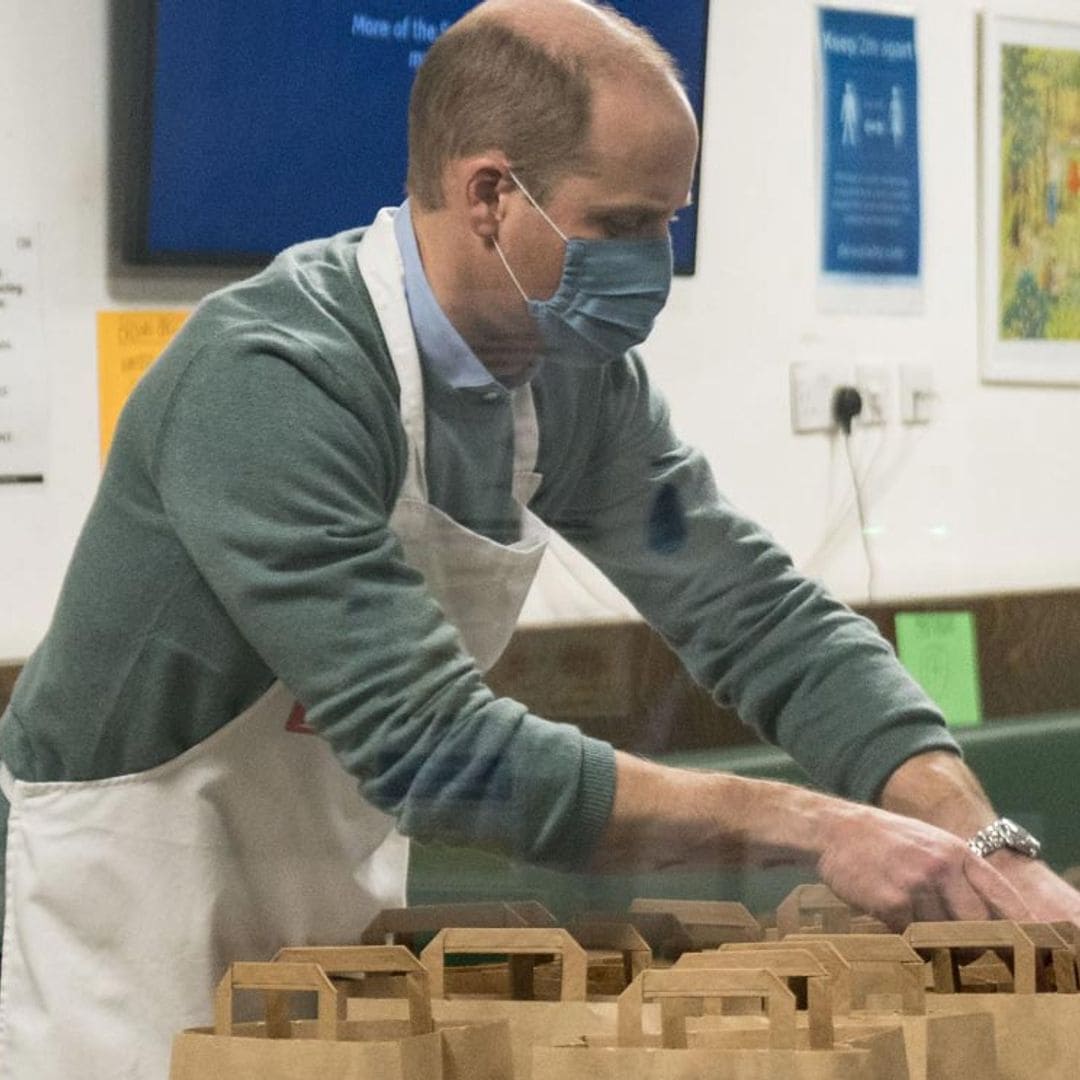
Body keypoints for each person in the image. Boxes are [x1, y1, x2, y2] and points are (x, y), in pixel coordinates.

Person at [2, 1, 1078, 1076]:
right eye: (622, 225)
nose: (655, 263)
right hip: (122, 925)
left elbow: (759, 618)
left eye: (671, 222)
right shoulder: (273, 379)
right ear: (488, 194)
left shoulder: (566, 384)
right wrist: (818, 827)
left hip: (326, 916)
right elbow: (434, 747)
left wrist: (981, 849)